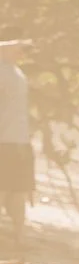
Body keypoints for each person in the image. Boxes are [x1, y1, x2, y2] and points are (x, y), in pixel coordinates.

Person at [0, 41, 34, 242]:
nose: (21, 51)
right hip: (7, 139)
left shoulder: (17, 73)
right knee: (8, 186)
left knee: (18, 188)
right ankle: (18, 236)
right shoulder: (6, 72)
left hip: (17, 139)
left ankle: (19, 235)